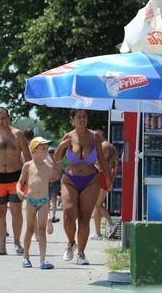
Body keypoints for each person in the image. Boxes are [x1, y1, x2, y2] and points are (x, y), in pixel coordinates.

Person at [54, 109, 110, 265]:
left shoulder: (94, 137)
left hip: (91, 180)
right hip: (70, 179)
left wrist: (108, 178)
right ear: (73, 119)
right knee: (68, 214)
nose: (82, 119)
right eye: (79, 116)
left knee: (85, 217)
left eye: (84, 116)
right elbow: (57, 158)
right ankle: (71, 243)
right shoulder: (68, 136)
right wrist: (61, 146)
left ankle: (81, 253)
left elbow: (101, 159)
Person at [0, 107, 31, 255]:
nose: (1, 121)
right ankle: (2, 247)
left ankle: (17, 242)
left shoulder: (17, 134)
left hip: (16, 178)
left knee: (16, 212)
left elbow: (28, 158)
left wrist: (30, 180)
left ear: (9, 118)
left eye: (3, 118)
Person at [16, 137, 62, 269]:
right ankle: (26, 257)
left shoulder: (48, 166)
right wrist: (19, 191)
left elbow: (57, 176)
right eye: (43, 149)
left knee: (41, 231)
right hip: (30, 200)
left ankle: (42, 260)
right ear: (34, 150)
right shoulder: (28, 165)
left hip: (44, 201)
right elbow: (20, 182)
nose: (46, 151)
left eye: (47, 149)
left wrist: (56, 162)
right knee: (30, 229)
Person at [92, 130, 119, 240]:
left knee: (97, 205)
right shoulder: (113, 148)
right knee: (98, 204)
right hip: (107, 178)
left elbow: (99, 163)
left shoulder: (102, 146)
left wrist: (92, 163)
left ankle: (104, 229)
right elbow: (115, 168)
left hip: (100, 176)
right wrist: (111, 181)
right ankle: (105, 228)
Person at [48, 148, 61, 223]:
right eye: (50, 152)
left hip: (55, 183)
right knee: (47, 201)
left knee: (54, 200)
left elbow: (61, 173)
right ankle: (48, 216)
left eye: (53, 152)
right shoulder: (44, 161)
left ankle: (53, 216)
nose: (52, 153)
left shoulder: (58, 161)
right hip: (47, 183)